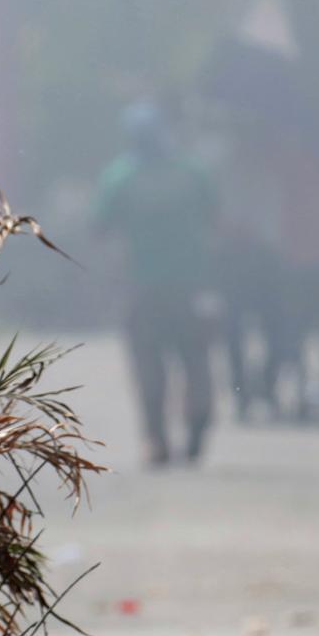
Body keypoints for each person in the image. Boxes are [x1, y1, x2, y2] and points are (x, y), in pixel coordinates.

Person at [91, 98, 220, 466]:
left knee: (149, 364)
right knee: (195, 359)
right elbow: (215, 217)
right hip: (191, 286)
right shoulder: (193, 172)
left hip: (141, 287)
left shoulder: (120, 176)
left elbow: (98, 227)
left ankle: (156, 440)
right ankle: (197, 424)